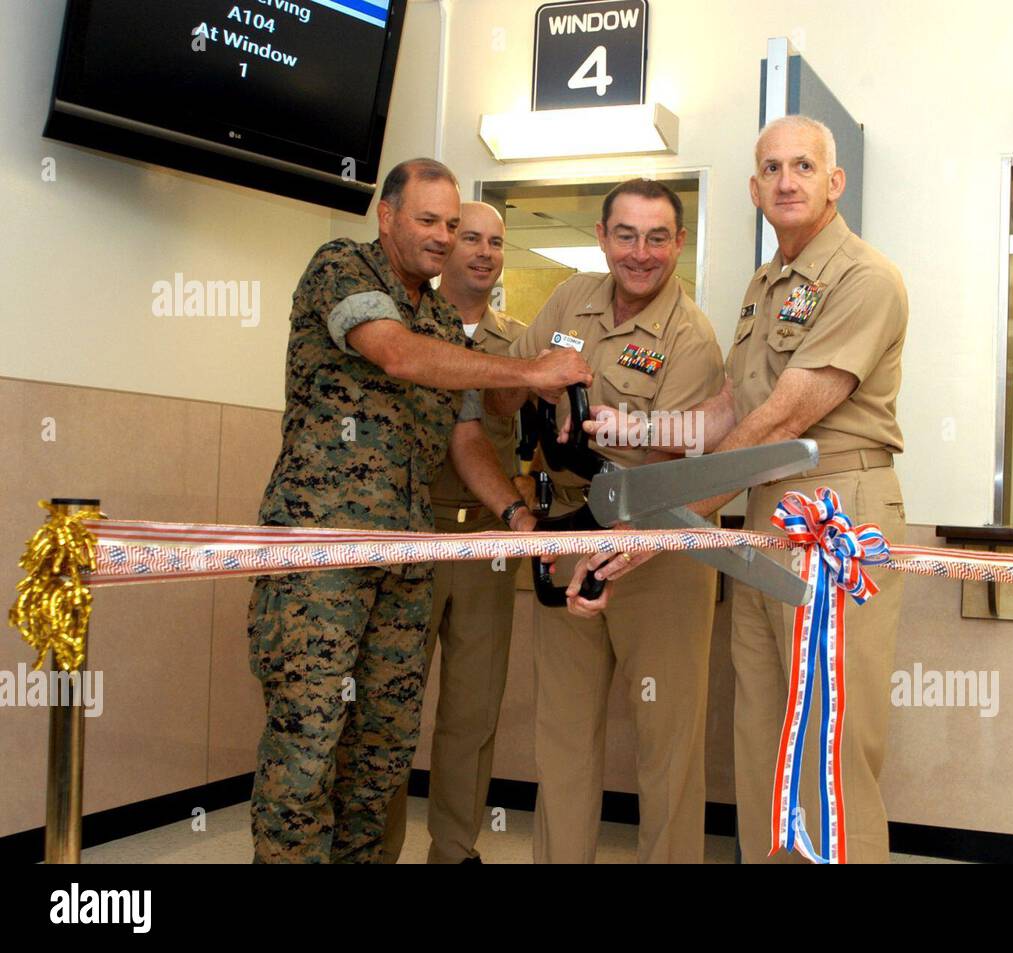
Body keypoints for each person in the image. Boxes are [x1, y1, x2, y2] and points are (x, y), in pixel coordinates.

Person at [579, 116, 909, 864]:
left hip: (834, 513)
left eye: (803, 165)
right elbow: (732, 407)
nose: (786, 180)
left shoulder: (864, 277)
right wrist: (631, 429)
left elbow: (783, 417)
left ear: (835, 181)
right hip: (763, 514)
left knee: (829, 740)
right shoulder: (766, 285)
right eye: (771, 167)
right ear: (755, 188)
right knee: (764, 729)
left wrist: (669, 522)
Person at [249, 158, 590, 863]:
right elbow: (397, 355)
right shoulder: (343, 269)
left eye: (451, 223)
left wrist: (518, 515)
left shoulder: (440, 317)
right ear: (388, 216)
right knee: (309, 745)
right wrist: (530, 372)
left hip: (405, 562)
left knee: (380, 753)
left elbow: (466, 435)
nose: (442, 236)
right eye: (427, 221)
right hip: (322, 560)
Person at [498, 178, 725, 863]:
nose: (641, 252)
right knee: (563, 737)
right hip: (569, 529)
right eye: (625, 234)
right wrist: (540, 394)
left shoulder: (693, 336)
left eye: (658, 237)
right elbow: (514, 381)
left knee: (667, 746)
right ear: (602, 236)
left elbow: (676, 454)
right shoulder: (570, 299)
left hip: (654, 541)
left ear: (679, 244)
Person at [381, 202, 533, 864]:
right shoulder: (405, 323)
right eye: (470, 236)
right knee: (388, 707)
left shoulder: (521, 344)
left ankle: (453, 847)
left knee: (472, 711)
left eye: (496, 241)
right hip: (409, 535)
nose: (483, 251)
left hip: (485, 545)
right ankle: (375, 848)